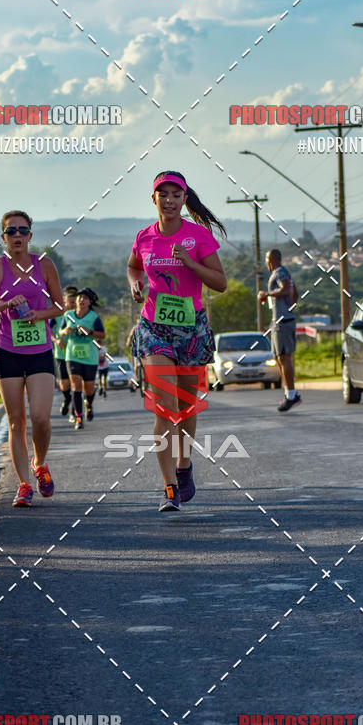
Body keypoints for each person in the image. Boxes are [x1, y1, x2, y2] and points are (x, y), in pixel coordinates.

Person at [127, 170, 227, 512]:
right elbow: (133, 266)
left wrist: (190, 263)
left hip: (191, 327)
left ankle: (184, 468)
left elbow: (220, 283)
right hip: (154, 327)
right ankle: (169, 487)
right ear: (153, 198)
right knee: (164, 405)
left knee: (185, 407)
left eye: (175, 195)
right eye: (162, 194)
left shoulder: (197, 237)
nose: (168, 200)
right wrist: (135, 283)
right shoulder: (144, 237)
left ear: (184, 199)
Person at [0, 210, 63, 507]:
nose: (18, 236)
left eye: (23, 231)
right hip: (8, 350)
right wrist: (6, 304)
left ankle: (40, 463)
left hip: (39, 352)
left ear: (31, 236)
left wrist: (41, 314)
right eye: (11, 232)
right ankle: (23, 484)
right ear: (3, 238)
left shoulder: (45, 265)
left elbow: (60, 305)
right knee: (16, 422)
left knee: (40, 418)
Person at [258, 248, 301, 412]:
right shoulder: (283, 272)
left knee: (284, 358)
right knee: (278, 356)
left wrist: (267, 294)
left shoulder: (279, 273)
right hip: (280, 320)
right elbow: (295, 292)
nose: (266, 263)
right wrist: (290, 307)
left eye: (266, 260)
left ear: (271, 260)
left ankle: (292, 395)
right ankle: (289, 393)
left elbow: (288, 290)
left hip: (283, 321)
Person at [59, 287, 105, 429]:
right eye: (79, 298)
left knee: (89, 388)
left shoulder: (93, 317)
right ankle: (78, 417)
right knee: (76, 384)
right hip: (72, 356)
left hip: (90, 357)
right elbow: (60, 332)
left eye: (85, 298)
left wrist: (89, 331)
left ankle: (89, 404)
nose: (81, 300)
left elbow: (102, 335)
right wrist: (65, 331)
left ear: (89, 302)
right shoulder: (68, 315)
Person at [51, 284, 78, 415]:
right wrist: (56, 340)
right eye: (71, 301)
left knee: (76, 383)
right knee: (64, 384)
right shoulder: (58, 313)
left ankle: (75, 409)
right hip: (61, 353)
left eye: (75, 301)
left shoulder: (81, 314)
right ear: (64, 299)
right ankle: (67, 399)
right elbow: (48, 329)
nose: (73, 304)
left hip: (77, 355)